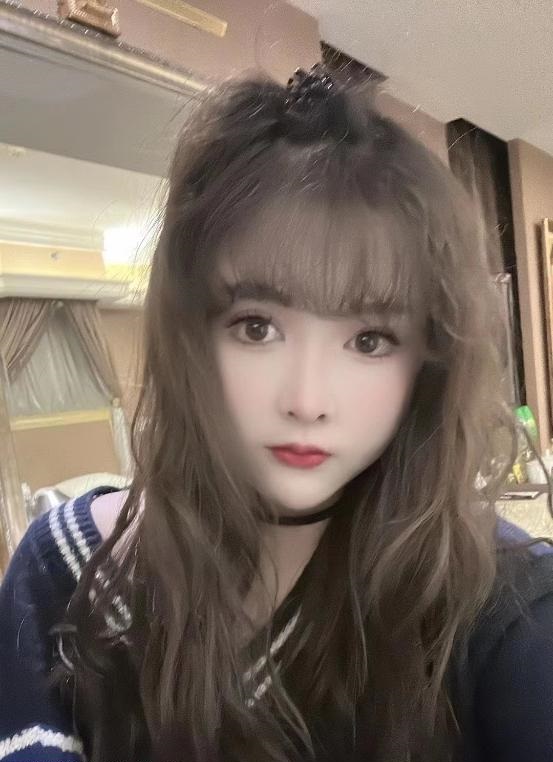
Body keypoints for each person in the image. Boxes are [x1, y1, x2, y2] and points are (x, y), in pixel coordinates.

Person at [2, 64, 553, 762]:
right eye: (256, 327)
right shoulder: (62, 573)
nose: (306, 400)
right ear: (190, 334)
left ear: (428, 362)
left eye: (369, 340)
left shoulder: (501, 606)